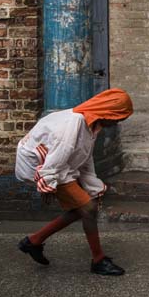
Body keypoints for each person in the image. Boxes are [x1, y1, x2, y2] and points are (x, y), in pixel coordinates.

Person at [15, 88, 134, 276]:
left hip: (61, 165)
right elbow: (59, 155)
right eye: (118, 117)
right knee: (87, 208)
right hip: (42, 164)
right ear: (108, 113)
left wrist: (91, 184)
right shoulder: (73, 124)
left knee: (83, 207)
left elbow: (85, 157)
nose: (118, 122)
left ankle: (33, 242)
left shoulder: (92, 124)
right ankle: (98, 260)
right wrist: (47, 183)